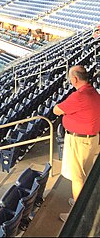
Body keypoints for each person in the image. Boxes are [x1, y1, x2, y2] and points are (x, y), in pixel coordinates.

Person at [55, 65, 100, 222]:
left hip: (79, 142)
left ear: (74, 79)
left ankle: (77, 214)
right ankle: (79, 201)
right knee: (83, 175)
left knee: (77, 177)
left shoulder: (79, 96)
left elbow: (56, 110)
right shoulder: (93, 92)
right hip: (91, 140)